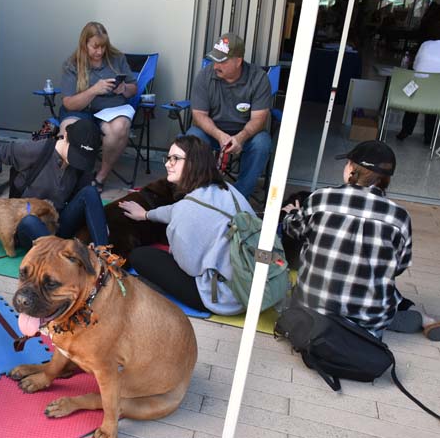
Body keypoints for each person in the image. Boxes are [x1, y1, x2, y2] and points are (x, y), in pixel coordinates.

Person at [282, 140, 439, 341]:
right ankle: (412, 316)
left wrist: (292, 214)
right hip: (368, 325)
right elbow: (398, 267)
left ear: (351, 171)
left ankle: (410, 316)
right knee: (377, 278)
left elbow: (293, 230)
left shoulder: (320, 198)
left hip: (311, 313)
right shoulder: (399, 216)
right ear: (386, 179)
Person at [119, 135, 254, 315]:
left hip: (223, 298)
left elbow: (188, 267)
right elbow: (175, 209)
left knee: (140, 256)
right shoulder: (228, 189)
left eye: (175, 159)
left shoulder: (187, 210)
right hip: (253, 286)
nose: (168, 164)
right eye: (168, 158)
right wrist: (146, 215)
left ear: (194, 163)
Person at [0, 119, 108, 249]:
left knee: (91, 192)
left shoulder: (81, 166)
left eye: (83, 158)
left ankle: (104, 254)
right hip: (27, 226)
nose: (79, 162)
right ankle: (57, 254)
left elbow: (86, 200)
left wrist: (101, 225)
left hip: (57, 222)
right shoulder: (38, 150)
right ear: (65, 136)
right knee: (30, 220)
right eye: (76, 155)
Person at [186, 33, 272, 198]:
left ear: (238, 61)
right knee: (192, 137)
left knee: (262, 143)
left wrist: (240, 138)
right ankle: (198, 195)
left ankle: (238, 199)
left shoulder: (259, 78)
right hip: (212, 132)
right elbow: (199, 115)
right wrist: (219, 135)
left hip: (246, 134)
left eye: (222, 61)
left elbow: (259, 119)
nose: (216, 65)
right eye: (214, 59)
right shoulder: (204, 76)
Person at [59, 21, 138, 191]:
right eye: (95, 47)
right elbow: (68, 103)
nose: (100, 51)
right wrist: (93, 90)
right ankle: (65, 178)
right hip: (81, 111)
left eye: (103, 46)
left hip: (111, 110)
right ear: (84, 43)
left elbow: (133, 89)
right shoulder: (72, 64)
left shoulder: (117, 58)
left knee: (120, 126)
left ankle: (101, 176)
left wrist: (123, 88)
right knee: (69, 129)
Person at [396, 39, 440, 144]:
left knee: (414, 92)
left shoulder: (426, 44)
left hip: (416, 91)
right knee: (434, 102)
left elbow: (415, 66)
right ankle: (429, 136)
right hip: (433, 94)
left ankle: (405, 130)